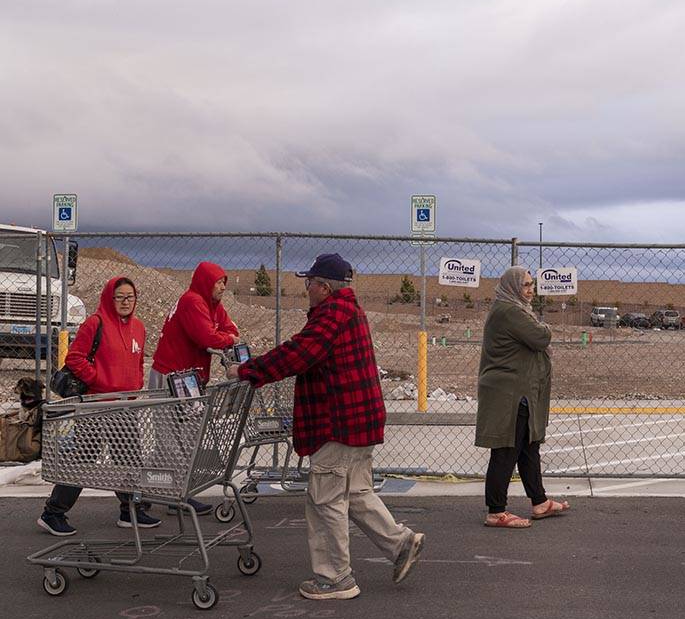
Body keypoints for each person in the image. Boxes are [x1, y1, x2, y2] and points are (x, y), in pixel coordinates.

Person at [228, 253, 423, 600]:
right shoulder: (350, 310)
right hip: (359, 420)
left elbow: (298, 353)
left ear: (324, 287)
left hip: (339, 422)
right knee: (356, 493)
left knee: (326, 500)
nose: (306, 289)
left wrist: (247, 370)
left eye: (309, 283)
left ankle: (335, 578)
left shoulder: (332, 314)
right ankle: (401, 543)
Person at [37, 277, 161, 535]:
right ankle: (53, 513)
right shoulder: (95, 323)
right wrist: (99, 380)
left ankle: (130, 511)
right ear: (109, 298)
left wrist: (134, 385)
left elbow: (137, 362)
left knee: (129, 457)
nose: (126, 302)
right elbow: (75, 358)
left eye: (130, 297)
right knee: (85, 459)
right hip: (95, 406)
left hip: (123, 406)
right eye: (120, 297)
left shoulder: (138, 326)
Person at [475, 266, 568, 528]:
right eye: (526, 285)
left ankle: (539, 501)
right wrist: (545, 326)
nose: (530, 290)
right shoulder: (509, 310)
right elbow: (540, 336)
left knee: (529, 448)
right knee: (506, 450)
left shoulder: (514, 309)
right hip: (509, 393)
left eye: (532, 284)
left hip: (519, 392)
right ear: (513, 287)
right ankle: (496, 511)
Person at [148, 261, 240, 515]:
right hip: (170, 377)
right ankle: (177, 497)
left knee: (186, 439)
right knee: (171, 441)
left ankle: (139, 491)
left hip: (189, 381)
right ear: (205, 281)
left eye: (224, 282)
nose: (222, 286)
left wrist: (225, 334)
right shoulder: (193, 301)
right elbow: (208, 338)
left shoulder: (212, 306)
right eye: (218, 282)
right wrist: (227, 338)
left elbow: (231, 328)